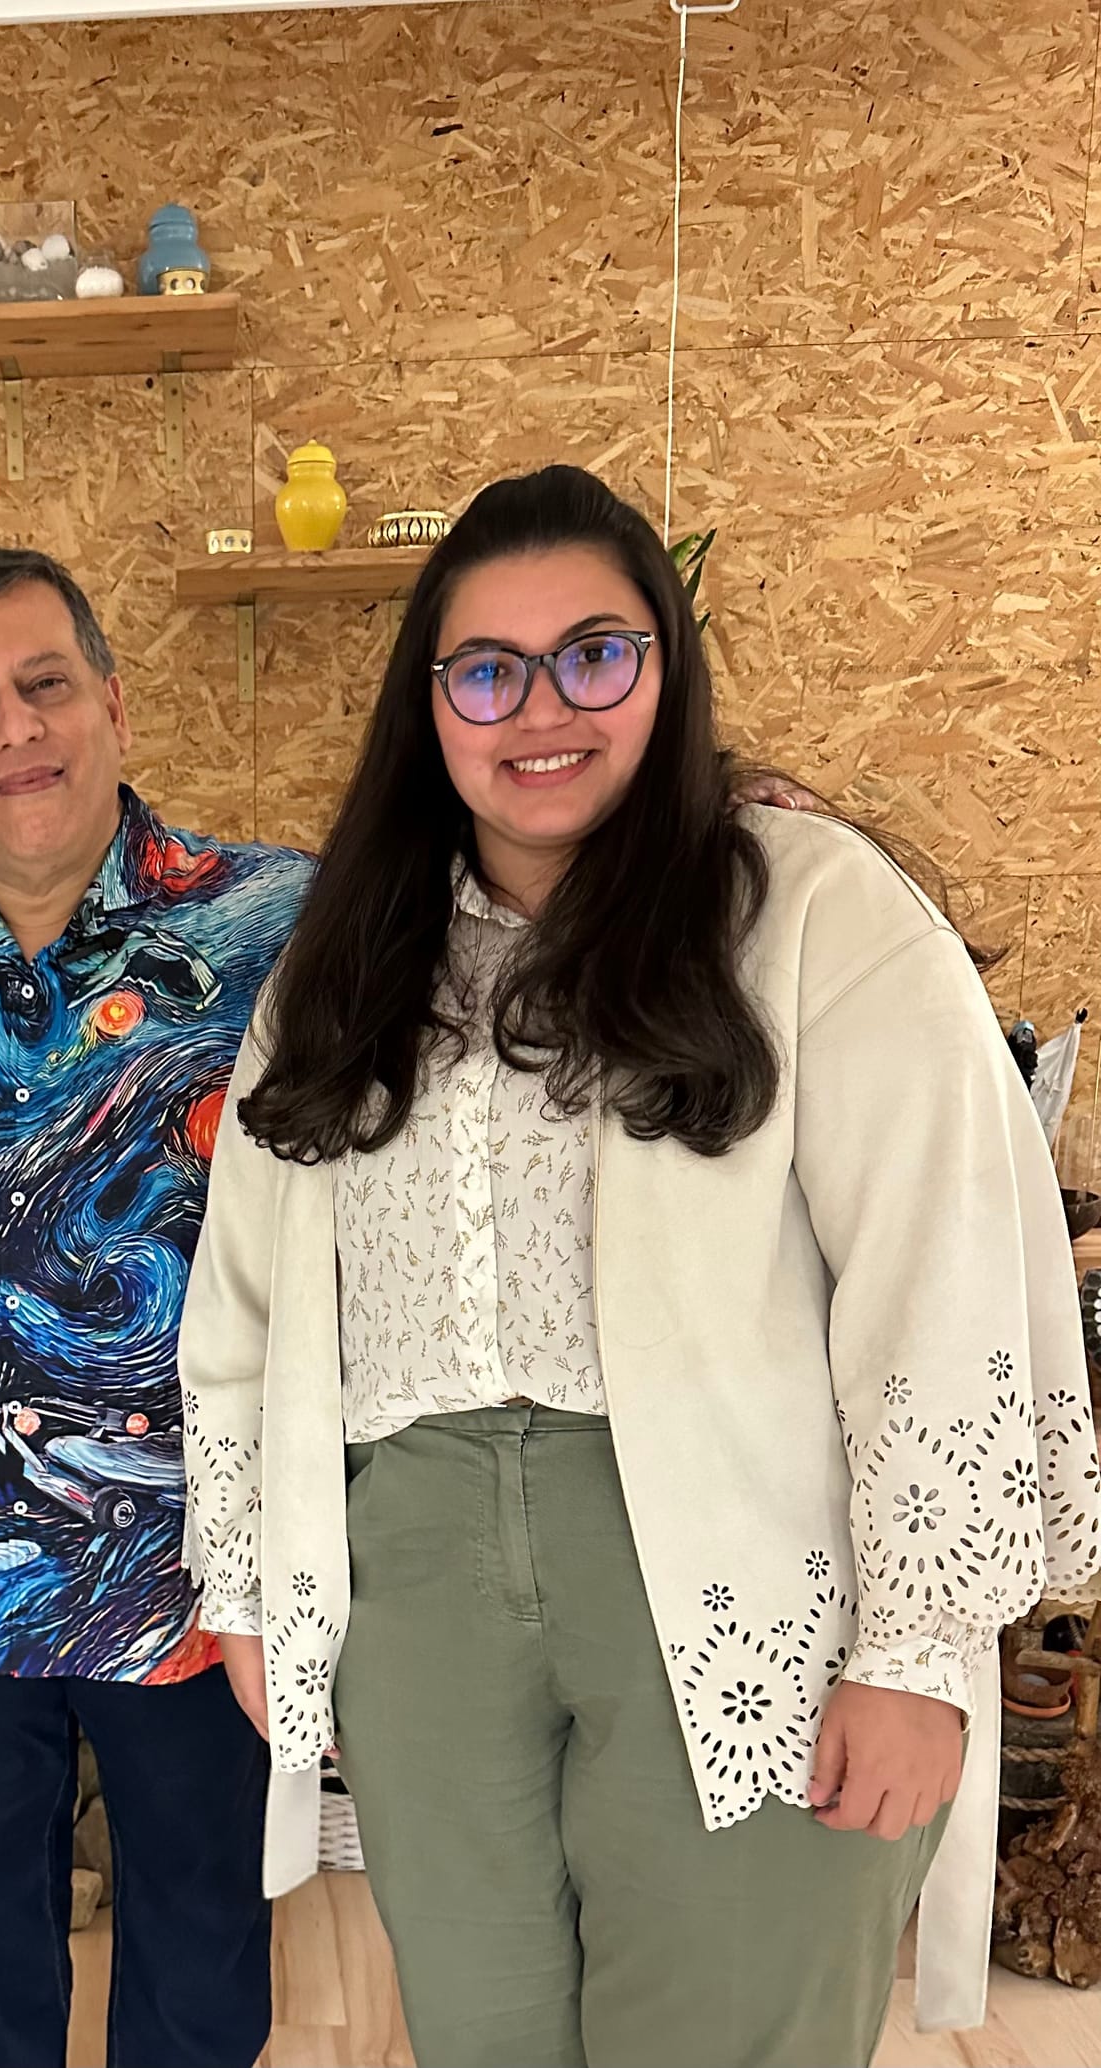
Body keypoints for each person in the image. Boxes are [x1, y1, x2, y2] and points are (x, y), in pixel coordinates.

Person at [179, 464, 1101, 2067]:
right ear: (430, 704)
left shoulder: (810, 911)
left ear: (666, 668)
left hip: (750, 1569)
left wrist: (917, 1653)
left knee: (729, 2031)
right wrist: (252, 1590)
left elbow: (939, 1270)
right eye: (488, 670)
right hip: (420, 1598)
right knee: (483, 2037)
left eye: (594, 655)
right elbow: (246, 1303)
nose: (543, 709)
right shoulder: (348, 962)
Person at [0, 547, 309, 2068]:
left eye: (45, 684)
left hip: (202, 1558)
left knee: (202, 1940)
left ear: (112, 700)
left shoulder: (274, 918)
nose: (15, 729)